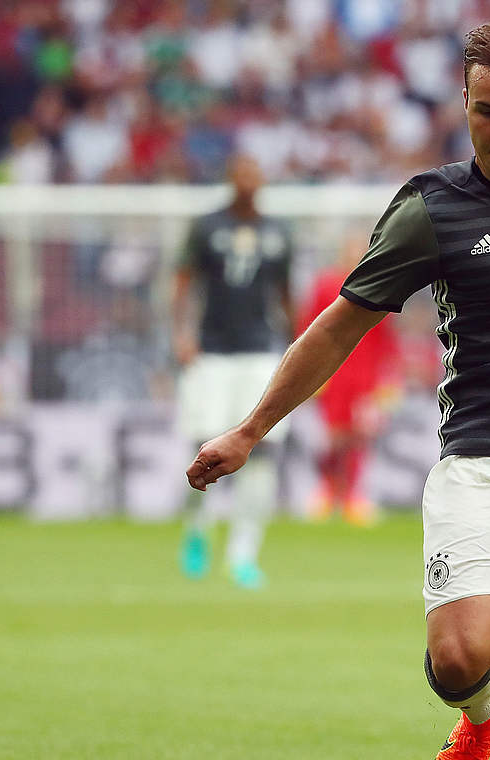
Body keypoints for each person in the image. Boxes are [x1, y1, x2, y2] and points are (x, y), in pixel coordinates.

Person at [185, 18, 490, 760]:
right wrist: (250, 429)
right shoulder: (431, 207)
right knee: (456, 662)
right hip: (480, 455)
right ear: (463, 102)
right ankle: (482, 713)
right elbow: (335, 328)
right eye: (487, 111)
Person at [173, 152, 294, 589]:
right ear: (230, 178)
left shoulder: (279, 232)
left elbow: (285, 295)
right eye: (241, 171)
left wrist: (295, 349)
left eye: (254, 170)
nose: (248, 178)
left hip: (260, 354)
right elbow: (183, 284)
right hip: (211, 353)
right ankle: (196, 535)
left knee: (261, 454)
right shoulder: (207, 227)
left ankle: (244, 554)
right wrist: (181, 335)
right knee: (203, 452)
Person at [295, 237, 401, 525]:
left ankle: (353, 496)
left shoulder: (377, 284)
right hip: (333, 374)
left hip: (364, 377)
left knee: (358, 437)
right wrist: (309, 372)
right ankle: (329, 491)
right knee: (332, 438)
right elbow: (308, 327)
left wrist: (386, 379)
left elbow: (385, 336)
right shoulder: (326, 284)